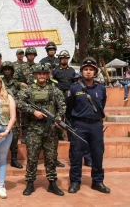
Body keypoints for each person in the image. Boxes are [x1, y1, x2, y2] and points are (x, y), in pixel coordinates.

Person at [17, 63, 66, 196]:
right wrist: (33, 112)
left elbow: (62, 106)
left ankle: (52, 183)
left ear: (48, 75)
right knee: (32, 157)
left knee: (51, 157)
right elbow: (19, 102)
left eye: (44, 74)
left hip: (50, 129)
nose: (42, 76)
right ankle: (30, 183)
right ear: (35, 75)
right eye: (39, 73)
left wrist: (58, 118)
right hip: (34, 128)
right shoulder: (28, 90)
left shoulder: (54, 90)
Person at [66, 57, 110, 194]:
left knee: (97, 154)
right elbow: (68, 109)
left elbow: (101, 106)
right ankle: (75, 181)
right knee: (76, 155)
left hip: (96, 125)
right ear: (82, 72)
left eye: (91, 70)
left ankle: (97, 181)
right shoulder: (74, 88)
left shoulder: (101, 88)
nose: (88, 72)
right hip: (79, 125)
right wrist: (72, 126)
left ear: (95, 72)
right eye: (86, 69)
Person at [1, 61, 24, 169]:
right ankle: (1, 161)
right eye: (5, 69)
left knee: (14, 137)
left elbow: (25, 94)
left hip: (14, 114)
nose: (7, 71)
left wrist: (17, 102)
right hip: (1, 114)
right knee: (1, 138)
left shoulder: (17, 83)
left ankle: (14, 160)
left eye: (9, 69)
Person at [14, 47, 38, 144]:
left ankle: (36, 135)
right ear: (26, 56)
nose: (31, 56)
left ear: (34, 55)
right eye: (29, 54)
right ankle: (25, 135)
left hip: (37, 94)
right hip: (26, 95)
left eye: (32, 54)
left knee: (37, 114)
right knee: (24, 115)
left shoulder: (38, 66)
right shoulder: (21, 67)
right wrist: (21, 84)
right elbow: (15, 81)